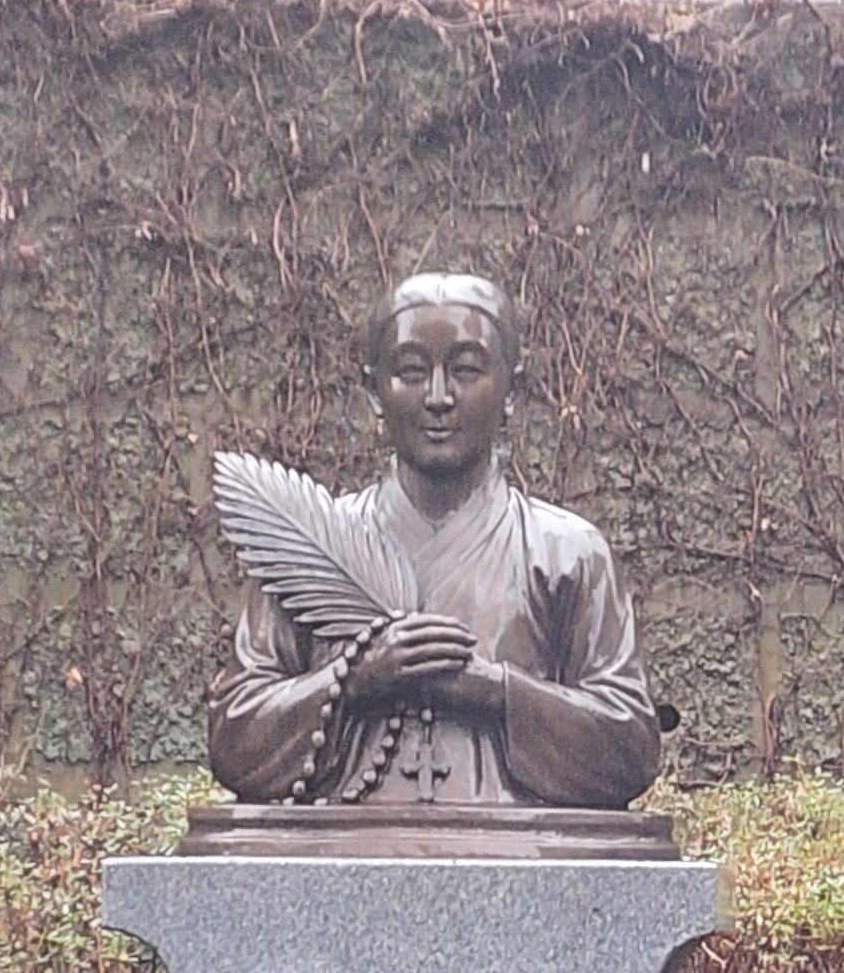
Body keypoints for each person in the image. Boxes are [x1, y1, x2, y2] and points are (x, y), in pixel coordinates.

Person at [206, 273, 665, 810]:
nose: (439, 397)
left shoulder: (569, 552)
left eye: (466, 370)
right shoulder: (306, 548)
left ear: (511, 391)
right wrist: (352, 681)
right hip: (345, 844)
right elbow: (235, 738)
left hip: (519, 849)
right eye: (411, 371)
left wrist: (494, 691)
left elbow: (630, 745)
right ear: (374, 393)